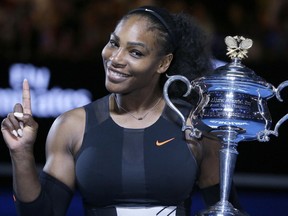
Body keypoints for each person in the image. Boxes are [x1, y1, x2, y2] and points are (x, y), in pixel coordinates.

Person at [1, 5, 243, 216]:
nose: (115, 58)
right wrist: (21, 155)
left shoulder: (195, 125)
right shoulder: (71, 126)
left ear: (163, 63)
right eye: (114, 43)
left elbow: (226, 209)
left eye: (135, 52)